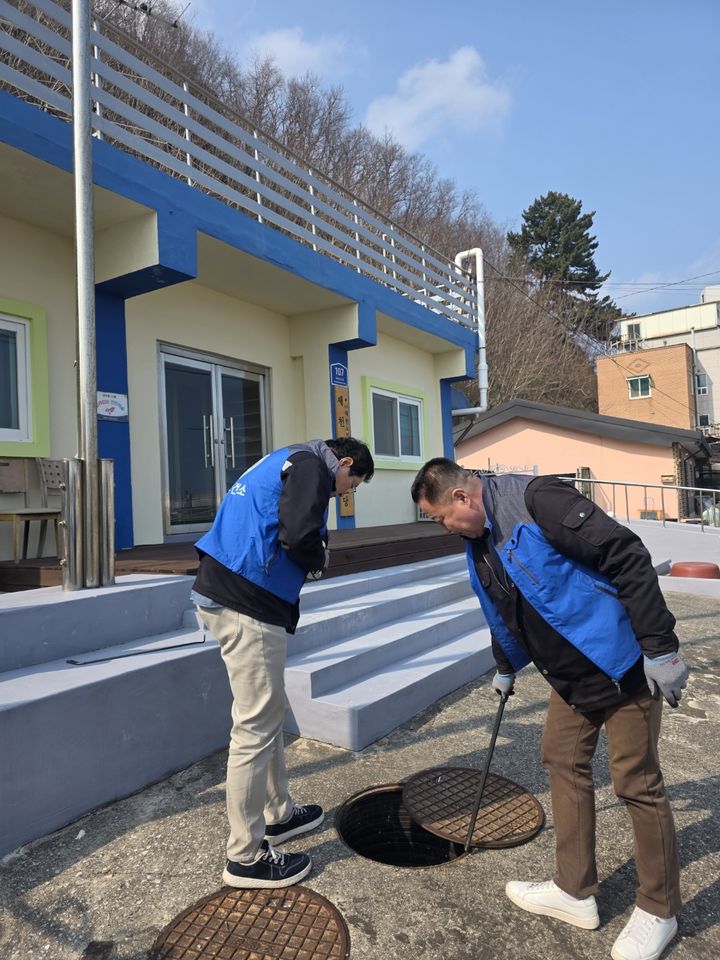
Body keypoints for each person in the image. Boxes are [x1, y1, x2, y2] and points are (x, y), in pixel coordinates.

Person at [411, 459, 689, 960]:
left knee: (636, 783)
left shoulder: (538, 500)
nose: (441, 529)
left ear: (460, 499)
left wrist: (660, 648)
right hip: (569, 677)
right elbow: (502, 608)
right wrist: (505, 665)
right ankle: (574, 890)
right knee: (561, 760)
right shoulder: (477, 541)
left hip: (621, 663)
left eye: (438, 518)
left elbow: (626, 553)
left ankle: (659, 908)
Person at [192, 437, 374, 889]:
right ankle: (245, 857)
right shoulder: (312, 466)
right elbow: (298, 535)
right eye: (350, 483)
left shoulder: (283, 458)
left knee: (266, 714)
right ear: (344, 462)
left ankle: (279, 814)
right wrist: (320, 557)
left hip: (226, 590)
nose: (342, 492)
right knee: (254, 726)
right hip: (246, 600)